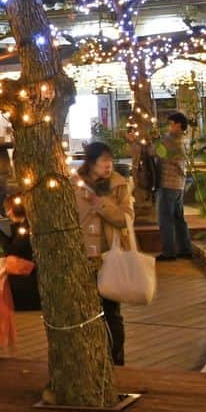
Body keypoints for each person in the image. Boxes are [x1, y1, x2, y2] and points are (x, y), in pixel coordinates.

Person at [74, 141, 134, 366]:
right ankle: (91, 361)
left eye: (110, 161)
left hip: (110, 256)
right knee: (86, 311)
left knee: (111, 311)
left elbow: (125, 219)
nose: (109, 166)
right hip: (82, 257)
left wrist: (100, 203)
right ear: (91, 163)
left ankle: (116, 359)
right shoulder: (74, 184)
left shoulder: (119, 185)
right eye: (103, 162)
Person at [0, 196, 40, 310]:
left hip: (30, 275)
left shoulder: (28, 227)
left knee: (1, 279)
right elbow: (12, 246)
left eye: (9, 209)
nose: (7, 213)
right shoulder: (21, 225)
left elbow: (11, 250)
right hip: (25, 270)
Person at [156, 112, 193, 261]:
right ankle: (185, 249)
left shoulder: (171, 141)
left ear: (178, 125)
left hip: (168, 183)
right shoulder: (185, 139)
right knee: (179, 218)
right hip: (178, 185)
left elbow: (155, 150)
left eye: (171, 124)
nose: (169, 127)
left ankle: (169, 252)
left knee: (165, 219)